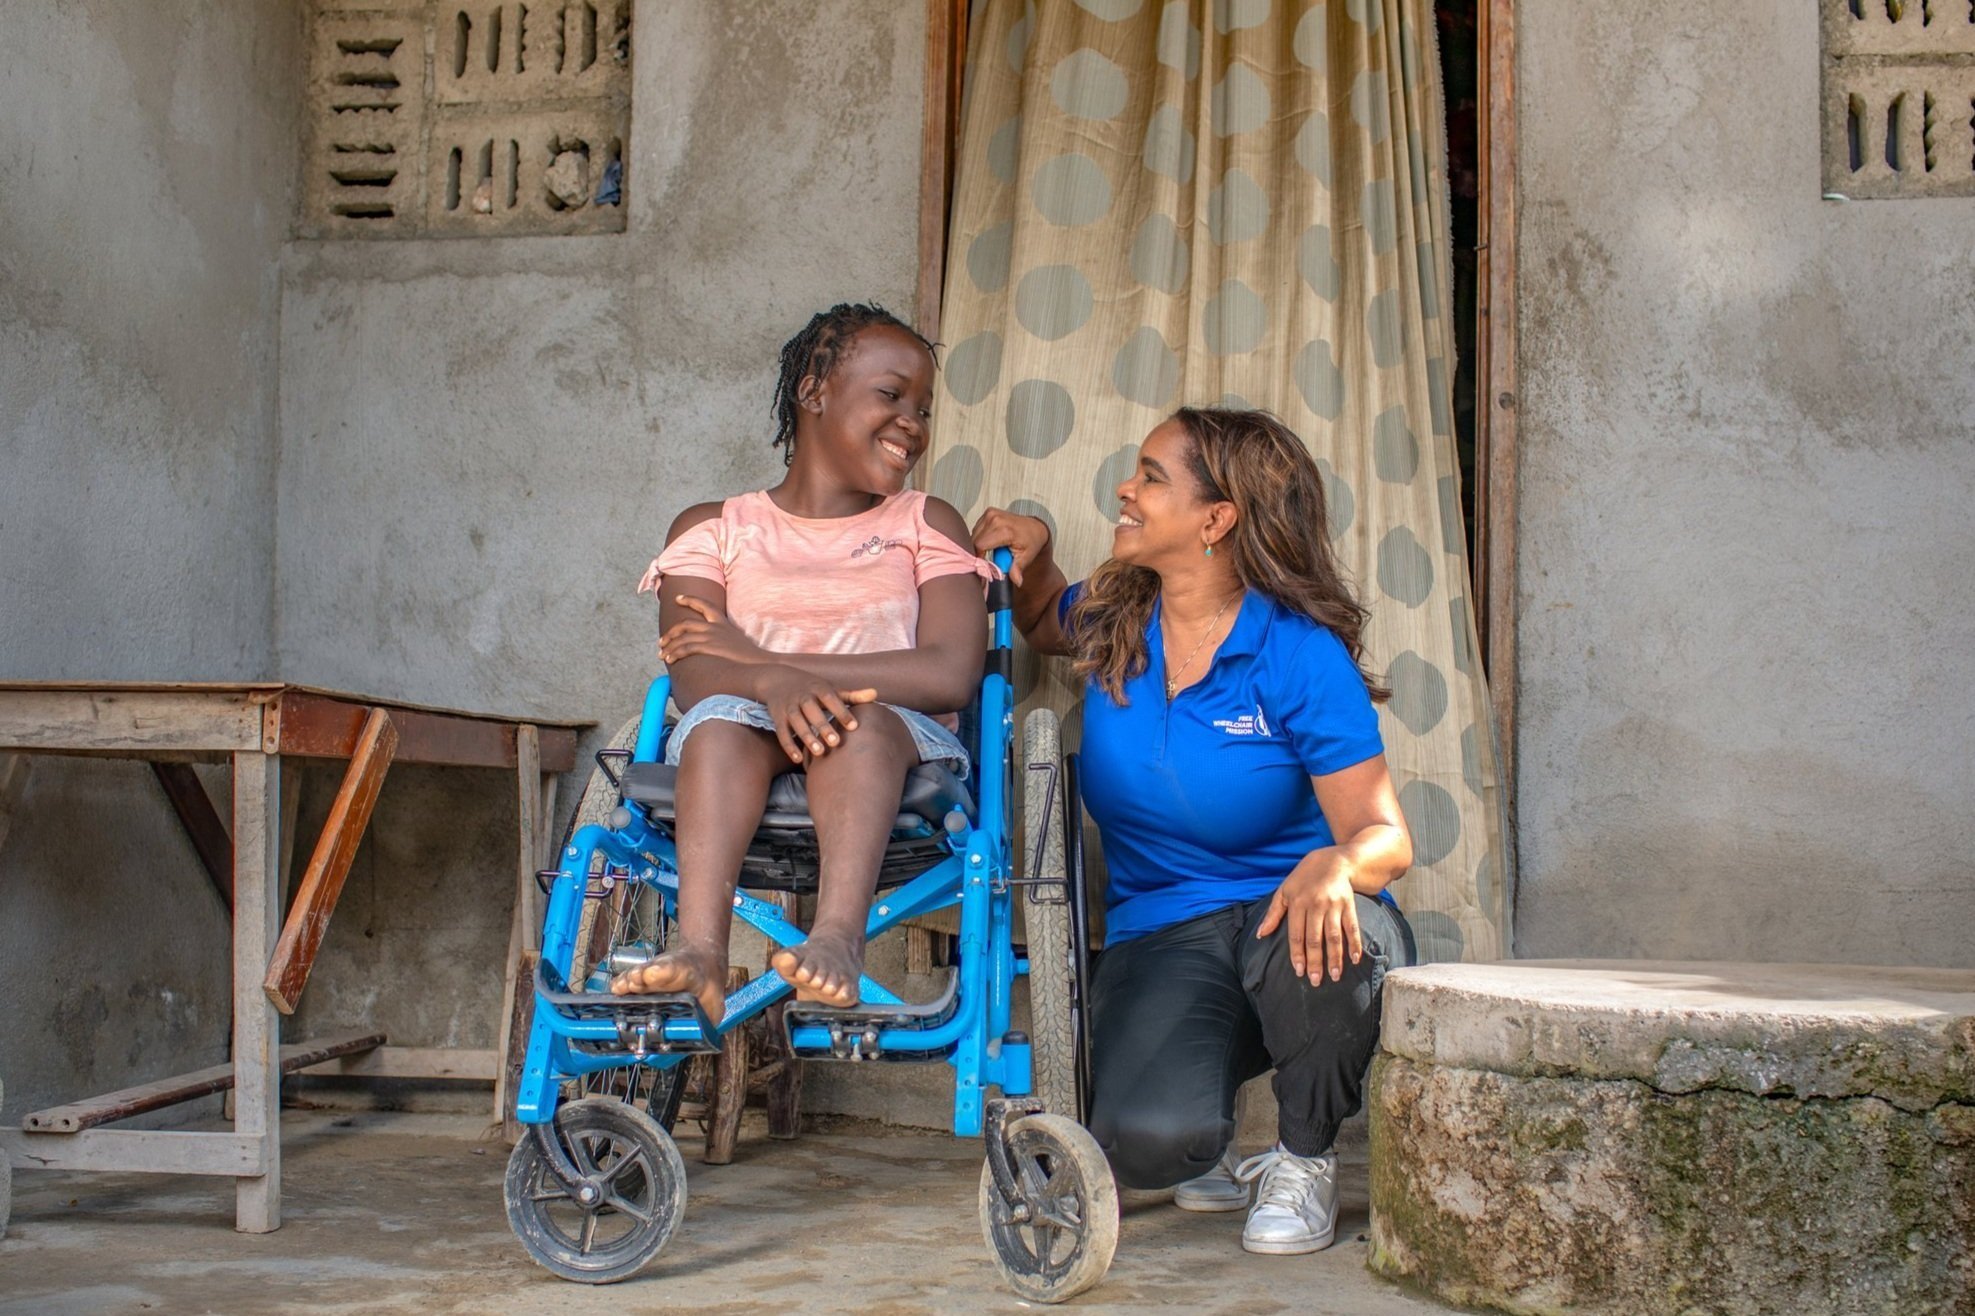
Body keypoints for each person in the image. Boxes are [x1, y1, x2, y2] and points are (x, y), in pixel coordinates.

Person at [973, 406, 1415, 1256]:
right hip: (1163, 931)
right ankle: (1210, 1132)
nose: (1125, 491)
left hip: (1288, 917)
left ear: (1216, 520)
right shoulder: (1114, 616)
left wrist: (1335, 861)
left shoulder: (1295, 652)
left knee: (1338, 929)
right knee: (1144, 1144)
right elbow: (1037, 621)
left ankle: (1303, 1157)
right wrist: (1032, 546)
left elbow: (1384, 837)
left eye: (1149, 477)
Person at [610, 303, 991, 1023]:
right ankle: (699, 948)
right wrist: (766, 685)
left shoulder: (924, 522)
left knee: (862, 724)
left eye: (923, 407)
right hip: (740, 733)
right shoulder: (712, 529)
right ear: (814, 389)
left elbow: (947, 674)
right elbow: (695, 676)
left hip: (898, 745)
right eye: (890, 394)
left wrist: (776, 670)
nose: (912, 420)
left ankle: (839, 938)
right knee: (721, 722)